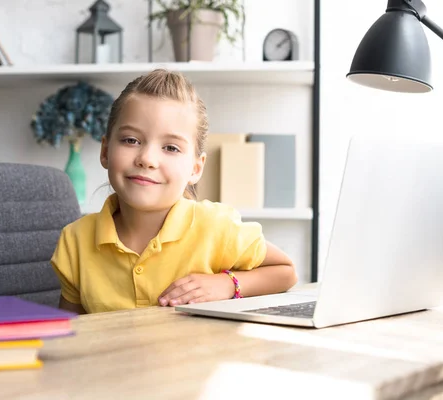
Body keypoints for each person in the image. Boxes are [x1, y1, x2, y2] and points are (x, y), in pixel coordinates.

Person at [51, 69, 297, 314]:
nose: (147, 159)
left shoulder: (216, 227)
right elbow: (71, 333)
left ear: (195, 168)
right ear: (105, 151)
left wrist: (226, 284)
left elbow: (286, 272)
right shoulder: (75, 241)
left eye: (170, 147)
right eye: (130, 140)